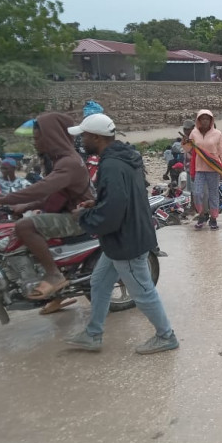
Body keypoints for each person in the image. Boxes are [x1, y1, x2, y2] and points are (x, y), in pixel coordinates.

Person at [62, 114, 179, 355]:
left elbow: (113, 212)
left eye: (84, 135)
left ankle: (166, 336)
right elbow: (122, 197)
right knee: (99, 281)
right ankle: (93, 334)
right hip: (123, 237)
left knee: (142, 291)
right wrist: (97, 202)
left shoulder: (111, 165)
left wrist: (84, 218)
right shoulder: (125, 157)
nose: (82, 140)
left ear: (96, 137)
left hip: (127, 241)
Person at [0, 113, 93, 300]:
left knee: (25, 226)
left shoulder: (68, 163)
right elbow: (53, 195)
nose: (35, 143)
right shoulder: (62, 160)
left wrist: (2, 200)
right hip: (71, 212)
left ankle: (54, 274)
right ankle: (53, 295)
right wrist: (22, 206)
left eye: (38, 138)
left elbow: (42, 188)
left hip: (79, 217)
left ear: (52, 136)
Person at [184, 109, 222, 231]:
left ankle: (213, 218)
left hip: (213, 169)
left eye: (207, 118)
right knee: (197, 193)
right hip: (199, 169)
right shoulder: (194, 133)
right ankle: (202, 215)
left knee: (213, 194)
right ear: (199, 120)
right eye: (203, 118)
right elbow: (189, 150)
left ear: (211, 120)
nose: (205, 121)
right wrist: (184, 143)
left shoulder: (217, 134)